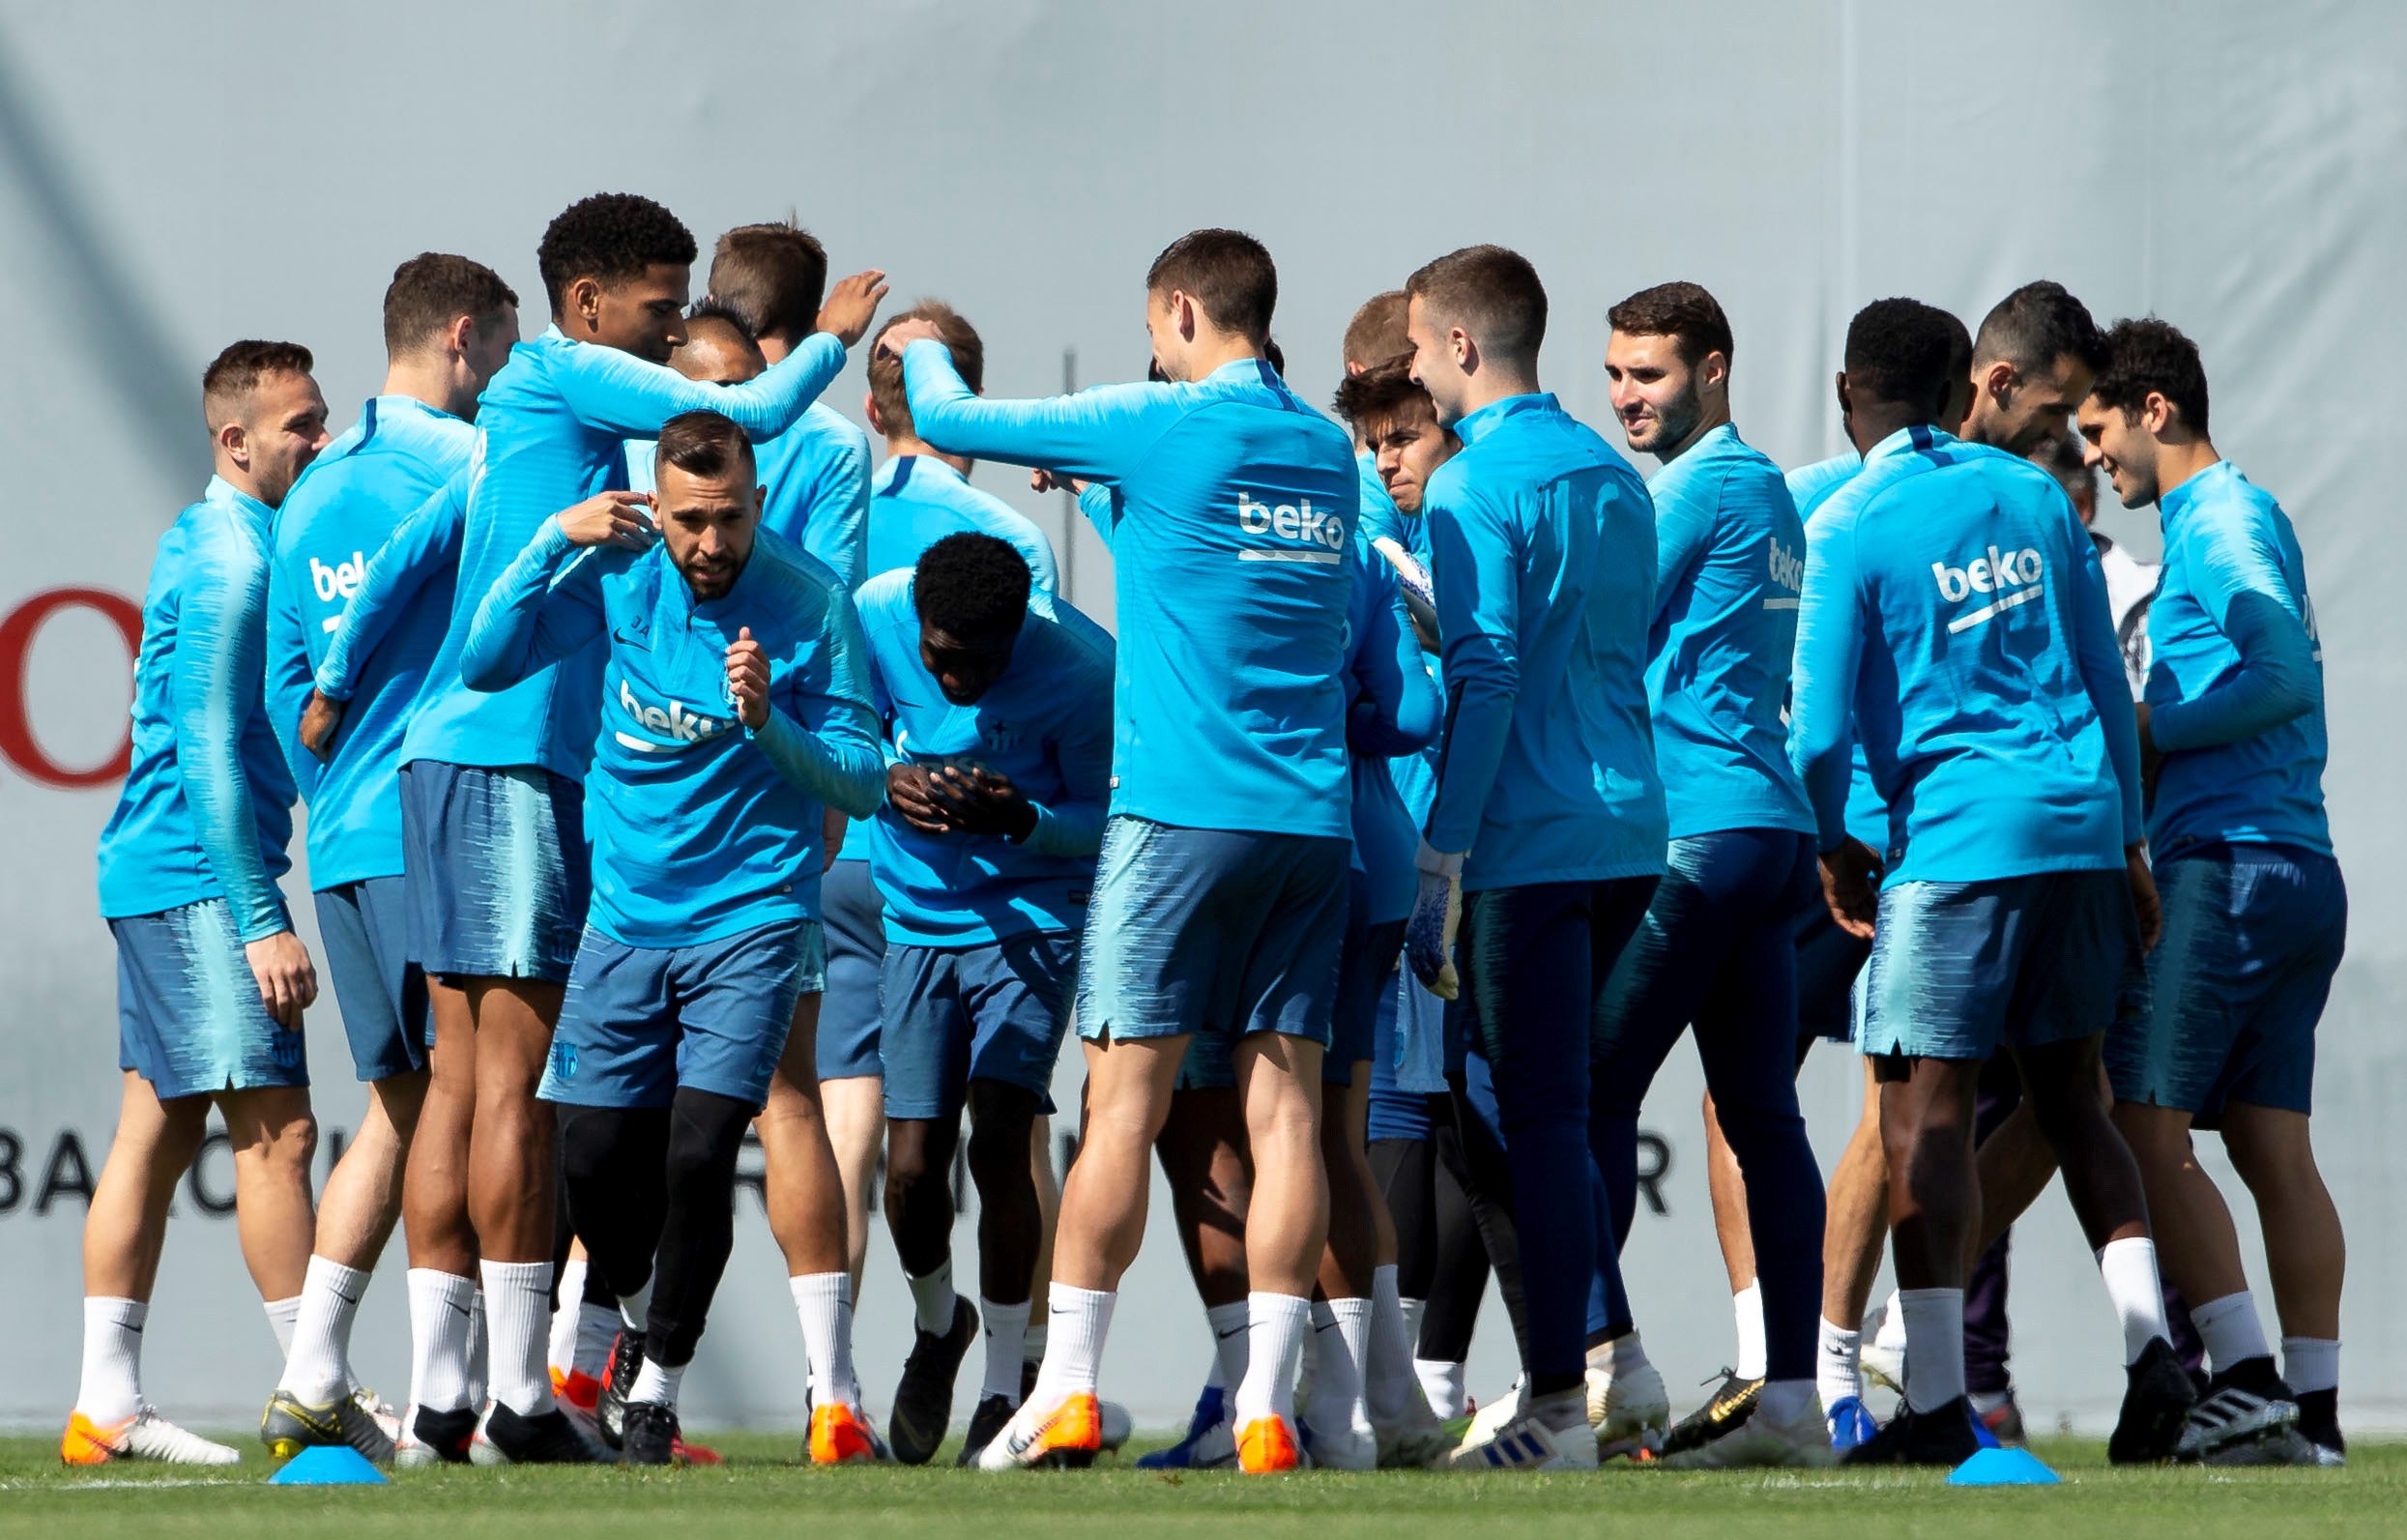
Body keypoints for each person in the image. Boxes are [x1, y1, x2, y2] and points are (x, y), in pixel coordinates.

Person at [307, 192, 885, 1463]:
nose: (672, 328)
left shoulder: (537, 431)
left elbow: (428, 548)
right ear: (585, 309)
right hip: (509, 761)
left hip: (490, 767)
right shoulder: (571, 396)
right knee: (510, 1093)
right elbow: (737, 418)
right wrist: (826, 344)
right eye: (659, 308)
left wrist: (342, 670)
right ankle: (522, 1395)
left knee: (461, 1091)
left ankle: (448, 1390)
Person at [886, 228, 1357, 1475]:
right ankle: (1266, 1408)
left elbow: (948, 413)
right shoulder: (1325, 450)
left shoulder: (1160, 423)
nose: (1152, 350)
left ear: (1183, 310)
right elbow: (1218, 552)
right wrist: (1105, 492)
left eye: (1156, 331)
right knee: (1288, 1108)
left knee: (1119, 1101)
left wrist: (916, 339)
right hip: (1309, 825)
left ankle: (1072, 1391)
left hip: (1176, 816)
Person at [1788, 298, 2193, 1467]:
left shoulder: (1852, 520)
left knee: (1923, 1117)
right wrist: (2125, 844)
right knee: (2075, 1102)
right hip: (2077, 831)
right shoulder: (2032, 492)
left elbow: (1817, 736)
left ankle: (1931, 1404)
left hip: (1959, 844)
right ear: (1966, 381)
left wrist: (1828, 841)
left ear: (1847, 392)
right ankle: (2151, 1359)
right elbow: (2107, 686)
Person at [461, 409, 885, 1466]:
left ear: (755, 501)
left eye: (730, 518)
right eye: (691, 520)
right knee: (595, 1160)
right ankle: (650, 1322)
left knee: (700, 1150)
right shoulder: (619, 572)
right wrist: (555, 537)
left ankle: (656, 1387)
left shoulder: (809, 603)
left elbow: (867, 780)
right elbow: (481, 660)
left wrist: (769, 724)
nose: (710, 543)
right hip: (625, 918)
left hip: (751, 918)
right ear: (658, 501)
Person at [1399, 246, 1666, 1470]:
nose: (1410, 369)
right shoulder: (1613, 475)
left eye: (1415, 345)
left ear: (1460, 345)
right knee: (1531, 1109)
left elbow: (1492, 674)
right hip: (1628, 833)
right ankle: (1602, 1362)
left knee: (1541, 1118)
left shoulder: (1467, 486)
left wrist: (1441, 857)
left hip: (1528, 847)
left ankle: (1563, 1402)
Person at [259, 256, 519, 1464]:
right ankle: (449, 1404)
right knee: (477, 1105)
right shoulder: (469, 467)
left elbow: (280, 689)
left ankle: (314, 1368)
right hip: (439, 826)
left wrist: (336, 806)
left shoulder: (312, 489)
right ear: (465, 338)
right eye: (508, 347)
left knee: (404, 1106)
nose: (513, 375)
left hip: (352, 840)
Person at [2082, 318, 2346, 1466]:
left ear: (2154, 408)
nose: (2092, 458)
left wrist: (2153, 730)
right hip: (2298, 867)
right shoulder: (2243, 510)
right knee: (2267, 1143)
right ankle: (2318, 1415)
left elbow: (2282, 672)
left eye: (2097, 430)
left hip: (2232, 863)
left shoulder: (2220, 517)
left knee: (2138, 1119)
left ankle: (2241, 1378)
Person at [70, 341, 331, 1467]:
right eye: (298, 428)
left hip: (163, 871)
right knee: (280, 1138)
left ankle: (104, 1407)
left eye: (322, 421)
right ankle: (314, 1390)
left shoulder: (243, 536)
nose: (317, 443)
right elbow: (214, 751)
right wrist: (260, 916)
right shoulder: (231, 557)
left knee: (154, 1133)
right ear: (235, 440)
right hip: (195, 877)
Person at [1590, 282, 1827, 1467]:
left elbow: (1597, 635)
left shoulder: (1701, 487)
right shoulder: (1767, 486)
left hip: (1698, 833)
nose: (1629, 397)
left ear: (1715, 369)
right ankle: (1791, 1406)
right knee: (1760, 1119)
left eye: (1652, 374)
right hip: (1760, 831)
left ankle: (1598, 1376)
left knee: (1578, 1096)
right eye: (1617, 374)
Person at [854, 534, 1112, 1466]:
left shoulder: (1082, 668)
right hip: (917, 918)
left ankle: (1008, 1385)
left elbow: (1104, 816)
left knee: (1003, 1130)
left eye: (979, 662)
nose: (954, 678)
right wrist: (888, 773)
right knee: (913, 1169)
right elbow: (848, 726)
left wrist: (1023, 818)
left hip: (1033, 913)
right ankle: (939, 1324)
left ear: (1018, 634)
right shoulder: (877, 611)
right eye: (939, 657)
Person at [707, 225, 889, 1320]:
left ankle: (582, 1370)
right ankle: (834, 1386)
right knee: (786, 1095)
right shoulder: (827, 447)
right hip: (775, 783)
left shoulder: (667, 421)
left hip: (656, 785)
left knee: (623, 1097)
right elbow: (839, 616)